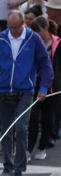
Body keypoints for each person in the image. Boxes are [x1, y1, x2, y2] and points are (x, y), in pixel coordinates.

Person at [0, 10, 55, 176]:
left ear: (23, 25)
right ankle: (7, 167)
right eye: (10, 28)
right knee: (5, 129)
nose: (12, 31)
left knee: (20, 128)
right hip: (3, 90)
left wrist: (43, 87)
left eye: (16, 28)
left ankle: (19, 169)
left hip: (25, 90)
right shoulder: (1, 38)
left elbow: (45, 64)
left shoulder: (33, 39)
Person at [28, 17, 61, 160]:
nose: (36, 34)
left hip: (53, 85)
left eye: (39, 31)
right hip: (35, 83)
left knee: (48, 118)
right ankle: (28, 149)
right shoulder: (32, 42)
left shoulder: (58, 43)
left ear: (46, 29)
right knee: (32, 118)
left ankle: (42, 147)